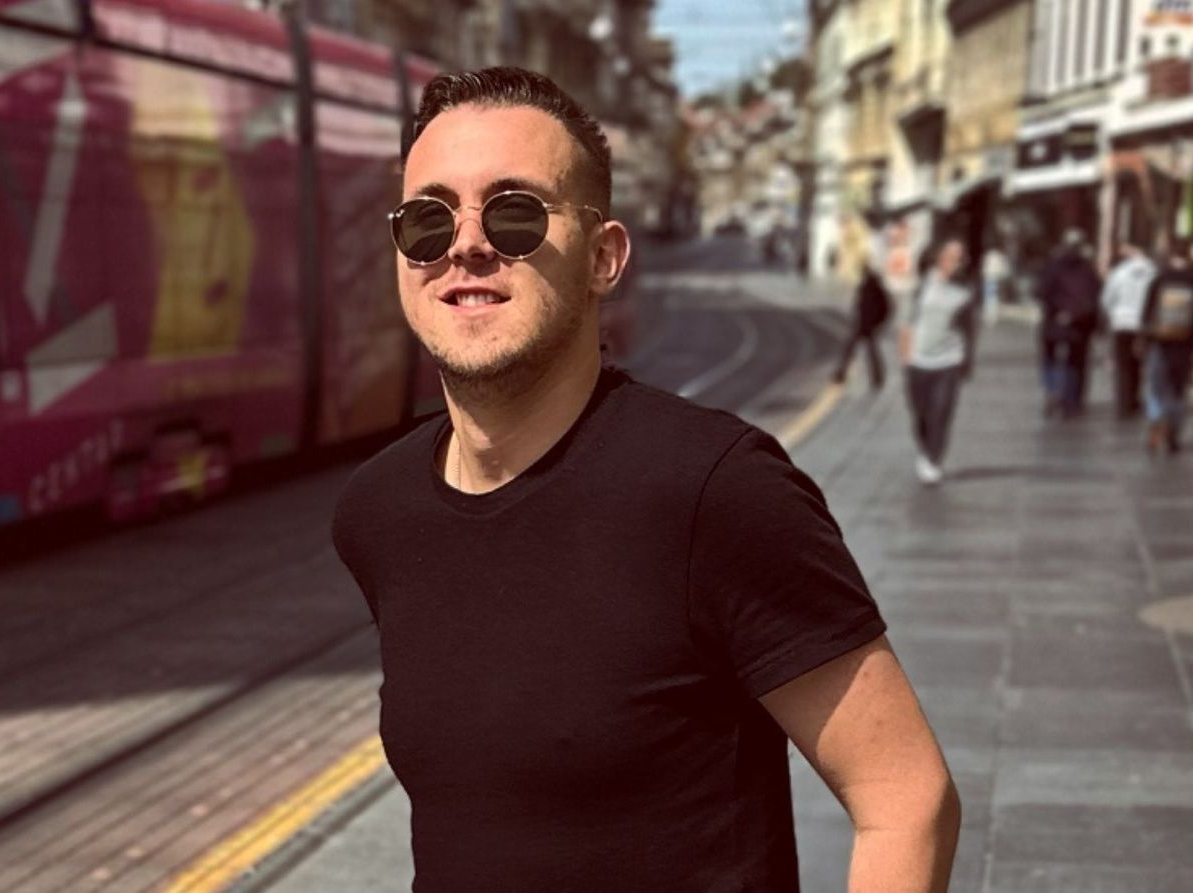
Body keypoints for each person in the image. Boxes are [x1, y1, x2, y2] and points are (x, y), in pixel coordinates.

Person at [332, 67, 959, 892]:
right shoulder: (379, 510)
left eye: (516, 212)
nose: (467, 243)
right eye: (428, 219)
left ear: (604, 257)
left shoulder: (715, 490)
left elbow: (907, 797)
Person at [900, 237, 979, 485]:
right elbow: (907, 321)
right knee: (920, 416)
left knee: (941, 413)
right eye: (951, 257)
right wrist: (906, 357)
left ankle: (933, 460)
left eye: (961, 258)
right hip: (918, 360)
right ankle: (925, 450)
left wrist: (968, 360)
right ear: (939, 258)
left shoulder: (966, 291)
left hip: (949, 360)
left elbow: (969, 329)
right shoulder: (922, 285)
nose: (956, 263)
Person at [1036, 229, 1103, 417]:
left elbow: (1042, 292)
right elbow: (1096, 295)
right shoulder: (1087, 269)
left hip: (1056, 323)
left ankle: (1052, 392)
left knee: (1052, 359)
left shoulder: (1053, 266)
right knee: (1074, 362)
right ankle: (1069, 398)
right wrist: (1078, 314)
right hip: (1078, 324)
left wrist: (1059, 310)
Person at [1141, 241, 1193, 453]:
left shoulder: (1159, 278)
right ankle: (1174, 427)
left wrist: (1144, 338)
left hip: (1160, 341)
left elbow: (1146, 312)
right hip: (1185, 344)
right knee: (1178, 388)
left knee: (1157, 386)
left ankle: (1156, 420)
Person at [1100, 242, 1158, 419]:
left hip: (1122, 323)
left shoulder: (1120, 273)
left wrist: (1111, 316)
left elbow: (1107, 299)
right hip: (1144, 325)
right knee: (1139, 364)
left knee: (1123, 365)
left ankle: (1124, 403)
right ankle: (1134, 399)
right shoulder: (1154, 272)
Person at [832, 261, 891, 390]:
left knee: (858, 351)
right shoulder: (867, 285)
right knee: (859, 351)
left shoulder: (871, 286)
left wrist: (877, 322)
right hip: (863, 324)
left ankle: (843, 374)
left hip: (867, 325)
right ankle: (843, 373)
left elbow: (884, 307)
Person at [981, 244, 1012, 326]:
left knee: (990, 297)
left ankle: (990, 316)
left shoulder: (990, 255)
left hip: (990, 278)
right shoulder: (1000, 256)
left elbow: (985, 267)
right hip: (995, 278)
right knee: (992, 298)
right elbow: (1004, 269)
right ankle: (991, 316)